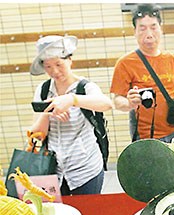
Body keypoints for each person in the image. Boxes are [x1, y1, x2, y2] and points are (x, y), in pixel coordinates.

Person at [29, 35, 112, 195]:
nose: (55, 71)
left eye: (59, 64)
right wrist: (48, 112)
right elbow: (37, 134)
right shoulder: (43, 90)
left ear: (69, 60)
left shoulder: (85, 87)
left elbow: (106, 104)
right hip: (54, 170)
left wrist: (72, 99)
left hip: (86, 169)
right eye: (48, 67)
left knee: (89, 212)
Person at [110, 4, 174, 142]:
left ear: (160, 29)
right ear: (135, 32)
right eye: (142, 28)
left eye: (153, 27)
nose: (149, 34)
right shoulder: (125, 63)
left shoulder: (170, 58)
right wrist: (129, 103)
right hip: (145, 137)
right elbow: (117, 100)